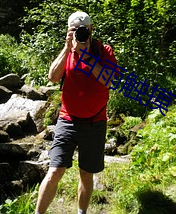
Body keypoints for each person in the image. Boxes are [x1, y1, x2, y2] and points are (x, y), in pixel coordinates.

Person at [35, 11, 118, 214]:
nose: (80, 33)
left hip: (95, 122)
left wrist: (85, 56)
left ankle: (81, 212)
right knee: (55, 170)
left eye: (83, 30)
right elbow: (53, 77)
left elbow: (108, 80)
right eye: (74, 30)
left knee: (86, 174)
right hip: (68, 119)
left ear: (91, 30)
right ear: (68, 31)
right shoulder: (68, 51)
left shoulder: (103, 50)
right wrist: (67, 48)